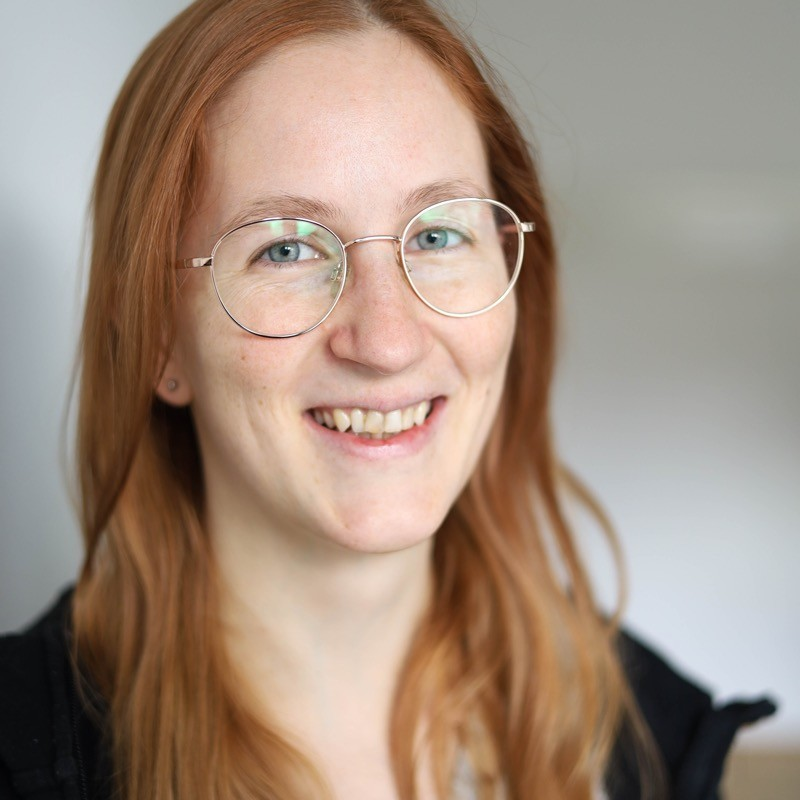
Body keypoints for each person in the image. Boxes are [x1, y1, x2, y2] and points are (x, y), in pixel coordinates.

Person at [0, 1, 775, 798]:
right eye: (287, 248)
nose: (387, 340)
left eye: (437, 235)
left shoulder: (652, 741)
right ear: (158, 336)